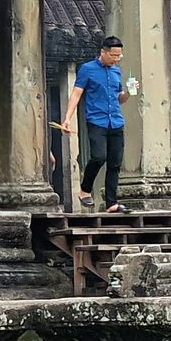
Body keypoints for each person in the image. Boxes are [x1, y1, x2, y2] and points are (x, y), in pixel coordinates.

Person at [61, 36, 134, 213]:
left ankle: (111, 203)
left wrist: (130, 92)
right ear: (103, 52)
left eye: (119, 56)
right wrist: (67, 118)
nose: (116, 59)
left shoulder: (116, 71)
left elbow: (120, 99)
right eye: (113, 55)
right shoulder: (87, 69)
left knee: (115, 163)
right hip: (96, 120)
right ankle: (85, 190)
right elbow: (76, 94)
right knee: (99, 157)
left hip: (115, 121)